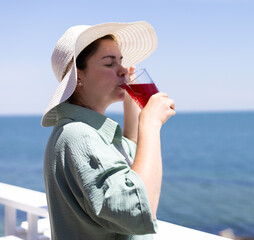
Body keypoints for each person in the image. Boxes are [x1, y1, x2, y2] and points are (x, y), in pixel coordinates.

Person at [41, 21, 175, 240]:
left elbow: (129, 151)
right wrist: (151, 124)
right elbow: (138, 209)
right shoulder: (79, 136)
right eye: (109, 63)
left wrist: (134, 103)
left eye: (121, 61)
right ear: (79, 76)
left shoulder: (84, 130)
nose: (122, 69)